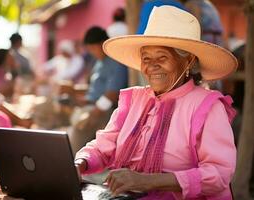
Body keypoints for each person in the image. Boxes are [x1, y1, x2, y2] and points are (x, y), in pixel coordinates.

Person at [75, 6, 237, 199]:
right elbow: (103, 146)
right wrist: (80, 163)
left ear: (189, 62)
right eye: (146, 58)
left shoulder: (208, 106)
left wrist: (147, 180)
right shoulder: (133, 100)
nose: (152, 66)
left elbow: (219, 174)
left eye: (162, 57)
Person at [67, 26, 128, 155]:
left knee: (78, 128)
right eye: (89, 49)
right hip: (90, 105)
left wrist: (94, 112)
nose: (91, 52)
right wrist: (73, 91)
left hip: (104, 111)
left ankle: (71, 159)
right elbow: (93, 89)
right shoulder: (99, 62)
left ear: (102, 44)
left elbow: (112, 94)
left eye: (93, 48)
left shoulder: (116, 61)